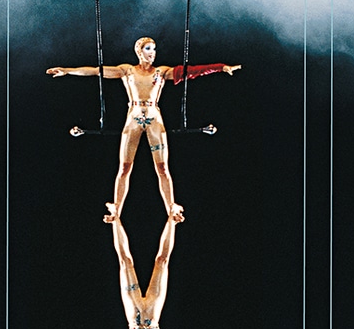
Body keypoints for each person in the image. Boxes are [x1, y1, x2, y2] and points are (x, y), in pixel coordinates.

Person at [47, 37, 241, 221]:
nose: (153, 52)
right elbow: (96, 71)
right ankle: (116, 208)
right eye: (148, 49)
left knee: (162, 168)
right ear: (139, 52)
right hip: (133, 118)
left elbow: (192, 71)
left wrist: (221, 67)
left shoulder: (161, 72)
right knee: (124, 167)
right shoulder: (127, 71)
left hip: (154, 118)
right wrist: (67, 70)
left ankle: (171, 207)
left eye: (154, 49)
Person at [47, 212, 239, 329]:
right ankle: (164, 221)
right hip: (144, 308)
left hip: (141, 309)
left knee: (139, 261)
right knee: (146, 261)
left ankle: (120, 220)